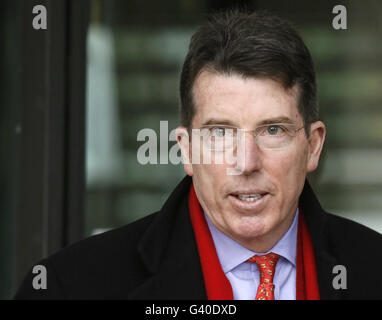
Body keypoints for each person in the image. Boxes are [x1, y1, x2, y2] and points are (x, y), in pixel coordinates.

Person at [15, 9, 382, 300]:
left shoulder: (372, 269)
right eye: (220, 133)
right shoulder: (71, 287)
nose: (246, 162)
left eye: (273, 130)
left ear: (313, 145)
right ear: (187, 150)